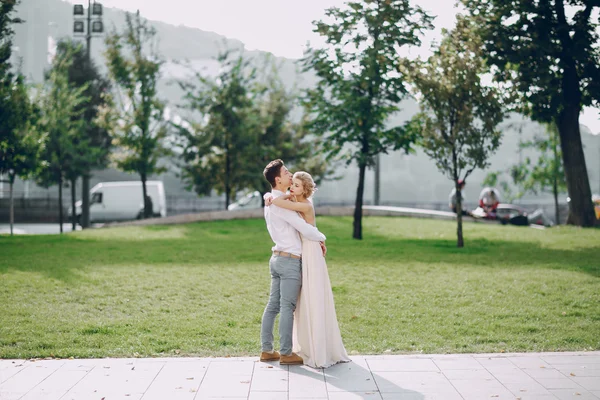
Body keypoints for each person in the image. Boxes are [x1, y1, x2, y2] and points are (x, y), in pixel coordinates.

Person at [265, 171, 351, 369]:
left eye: (296, 185)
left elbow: (281, 204)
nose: (292, 188)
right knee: (301, 299)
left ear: (305, 189)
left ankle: (317, 346)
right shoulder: (295, 201)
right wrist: (269, 196)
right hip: (304, 248)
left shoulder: (304, 205)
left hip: (310, 249)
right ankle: (305, 342)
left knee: (312, 294)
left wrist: (270, 197)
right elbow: (282, 202)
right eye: (291, 184)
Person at [260, 160, 327, 366]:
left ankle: (267, 350)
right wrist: (322, 237)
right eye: (286, 172)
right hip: (289, 260)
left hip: (276, 258)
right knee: (287, 306)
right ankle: (287, 353)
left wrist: (268, 195)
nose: (290, 175)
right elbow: (304, 228)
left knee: (273, 306)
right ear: (278, 179)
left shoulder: (272, 200)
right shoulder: (281, 205)